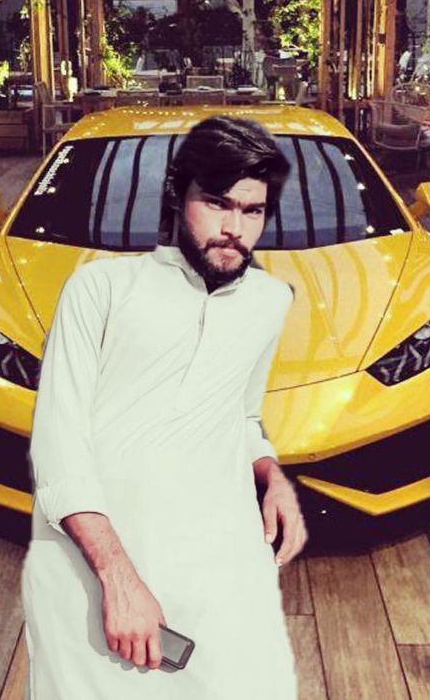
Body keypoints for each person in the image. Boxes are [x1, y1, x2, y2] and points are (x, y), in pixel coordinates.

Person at [21, 115, 308, 699]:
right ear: (178, 196)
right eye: (217, 203)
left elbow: (241, 413)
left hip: (221, 568)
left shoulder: (270, 301)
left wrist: (271, 474)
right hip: (96, 570)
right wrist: (118, 579)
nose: (233, 229)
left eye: (252, 211)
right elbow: (58, 445)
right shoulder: (99, 290)